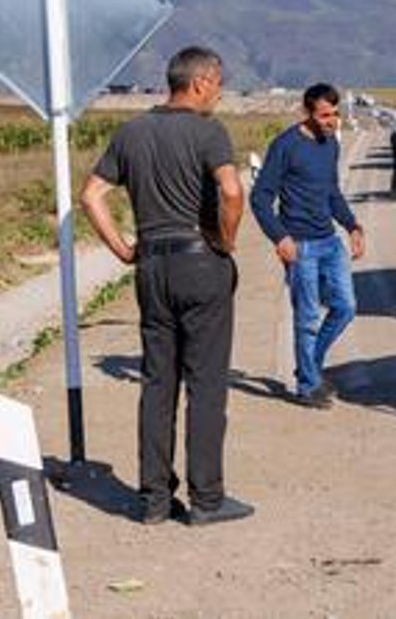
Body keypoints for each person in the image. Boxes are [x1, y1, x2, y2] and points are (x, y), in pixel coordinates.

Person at [80, 46, 254, 526]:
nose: (220, 92)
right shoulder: (208, 131)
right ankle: (207, 498)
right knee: (206, 385)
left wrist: (122, 249)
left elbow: (91, 195)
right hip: (200, 262)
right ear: (199, 82)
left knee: (158, 383)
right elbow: (233, 191)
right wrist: (225, 239)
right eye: (218, 83)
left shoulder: (131, 132)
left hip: (151, 266)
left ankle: (154, 498)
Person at [250, 83, 365, 409]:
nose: (332, 121)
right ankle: (308, 386)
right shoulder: (285, 146)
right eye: (325, 115)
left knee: (346, 307)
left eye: (335, 114)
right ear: (307, 113)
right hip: (300, 246)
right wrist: (280, 237)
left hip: (329, 241)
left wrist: (353, 225)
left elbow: (332, 192)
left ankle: (309, 366)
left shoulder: (331, 144)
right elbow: (260, 198)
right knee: (307, 317)